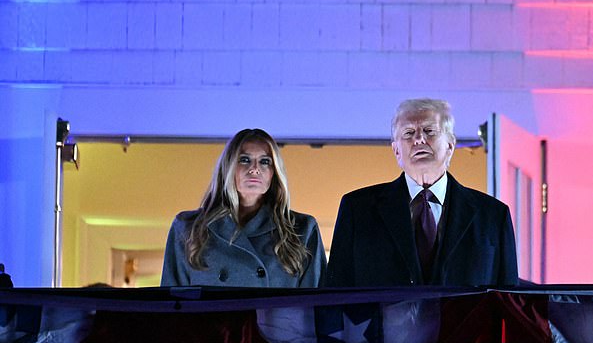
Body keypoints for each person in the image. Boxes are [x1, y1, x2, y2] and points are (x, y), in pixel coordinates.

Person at [325, 99, 518, 287]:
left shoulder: (493, 215)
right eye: (408, 133)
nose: (418, 139)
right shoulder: (358, 209)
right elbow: (334, 296)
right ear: (396, 151)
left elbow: (511, 301)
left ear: (450, 145)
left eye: (429, 131)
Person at [161, 129, 326, 288]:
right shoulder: (188, 227)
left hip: (273, 317)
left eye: (265, 161)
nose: (254, 169)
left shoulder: (302, 229)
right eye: (245, 159)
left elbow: (316, 306)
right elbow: (172, 306)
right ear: (228, 167)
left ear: (274, 173)